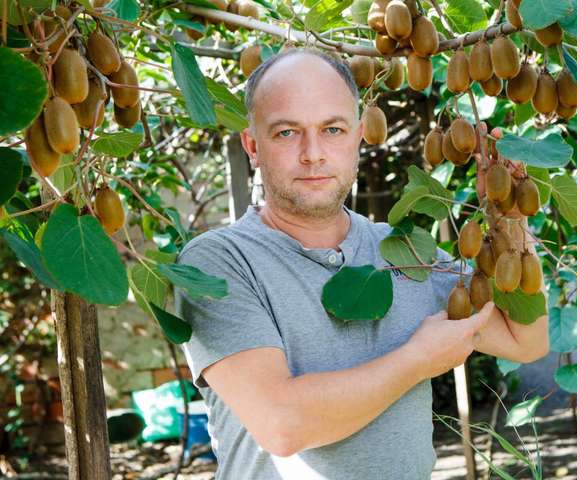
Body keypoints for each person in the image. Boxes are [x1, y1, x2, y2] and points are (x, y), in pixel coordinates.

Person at [174, 47, 549, 480]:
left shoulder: (405, 251)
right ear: (253, 146)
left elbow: (526, 340)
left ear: (357, 137)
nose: (313, 153)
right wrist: (417, 360)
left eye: (332, 129)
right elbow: (283, 425)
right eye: (286, 132)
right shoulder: (217, 263)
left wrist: (508, 219)